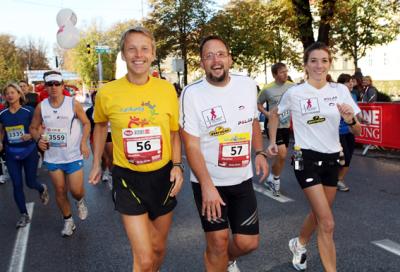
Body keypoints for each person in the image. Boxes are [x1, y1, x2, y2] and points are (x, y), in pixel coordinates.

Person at [88, 27, 183, 272]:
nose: (138, 54)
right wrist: (97, 161)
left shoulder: (166, 90)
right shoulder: (108, 92)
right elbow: (99, 126)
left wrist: (177, 166)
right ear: (123, 54)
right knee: (145, 258)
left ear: (152, 54)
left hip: (162, 177)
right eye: (131, 48)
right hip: (128, 179)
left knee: (158, 249)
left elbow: (174, 133)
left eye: (144, 48)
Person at [267, 42, 361, 272]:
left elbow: (357, 130)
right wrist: (271, 141)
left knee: (320, 214)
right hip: (305, 158)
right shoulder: (295, 92)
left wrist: (349, 120)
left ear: (330, 64)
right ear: (306, 65)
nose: (319, 66)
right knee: (327, 223)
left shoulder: (339, 91)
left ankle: (298, 244)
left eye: (324, 61)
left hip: (331, 160)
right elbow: (273, 115)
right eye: (314, 61)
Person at [180, 35, 269, 272]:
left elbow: (252, 121)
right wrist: (207, 186)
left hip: (241, 179)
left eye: (220, 54)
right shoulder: (191, 93)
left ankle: (225, 260)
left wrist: (259, 152)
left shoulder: (247, 84)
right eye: (208, 56)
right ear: (201, 63)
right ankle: (218, 259)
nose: (215, 60)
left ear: (229, 59)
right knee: (217, 242)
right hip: (208, 182)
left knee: (247, 242)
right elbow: (191, 145)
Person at [30, 70, 90, 237]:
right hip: (53, 156)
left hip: (72, 155)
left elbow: (86, 123)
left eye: (57, 84)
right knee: (60, 190)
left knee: (76, 190)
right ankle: (68, 221)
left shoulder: (73, 104)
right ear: (45, 88)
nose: (54, 87)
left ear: (62, 85)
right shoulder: (41, 107)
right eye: (50, 84)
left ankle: (80, 201)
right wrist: (37, 140)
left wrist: (84, 142)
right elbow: (33, 128)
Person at [0, 82, 49, 228]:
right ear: (4, 96)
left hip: (29, 151)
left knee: (30, 182)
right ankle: (24, 214)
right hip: (11, 153)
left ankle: (41, 188)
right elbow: (1, 131)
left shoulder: (29, 111)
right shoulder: (2, 114)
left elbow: (40, 127)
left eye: (12, 92)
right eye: (7, 93)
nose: (9, 95)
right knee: (16, 184)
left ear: (19, 94)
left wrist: (30, 135)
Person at [257, 62, 295, 196]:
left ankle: (271, 177)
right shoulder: (267, 89)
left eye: (286, 71)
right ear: (274, 74)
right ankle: (275, 181)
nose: (285, 74)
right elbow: (258, 104)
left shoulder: (292, 86)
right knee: (283, 153)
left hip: (286, 126)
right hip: (273, 126)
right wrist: (267, 114)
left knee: (281, 156)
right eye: (282, 72)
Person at [336, 74, 360, 192]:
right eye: (347, 82)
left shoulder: (353, 95)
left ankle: (338, 179)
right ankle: (337, 179)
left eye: (351, 81)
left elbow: (355, 112)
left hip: (349, 130)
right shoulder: (335, 96)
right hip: (338, 132)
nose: (351, 84)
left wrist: (359, 121)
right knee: (342, 157)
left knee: (348, 157)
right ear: (341, 85)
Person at [85, 91, 113, 184]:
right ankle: (101, 169)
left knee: (110, 157)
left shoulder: (110, 107)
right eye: (94, 97)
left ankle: (108, 173)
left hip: (109, 134)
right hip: (95, 135)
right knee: (103, 158)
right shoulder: (89, 111)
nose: (96, 98)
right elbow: (87, 124)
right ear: (92, 99)